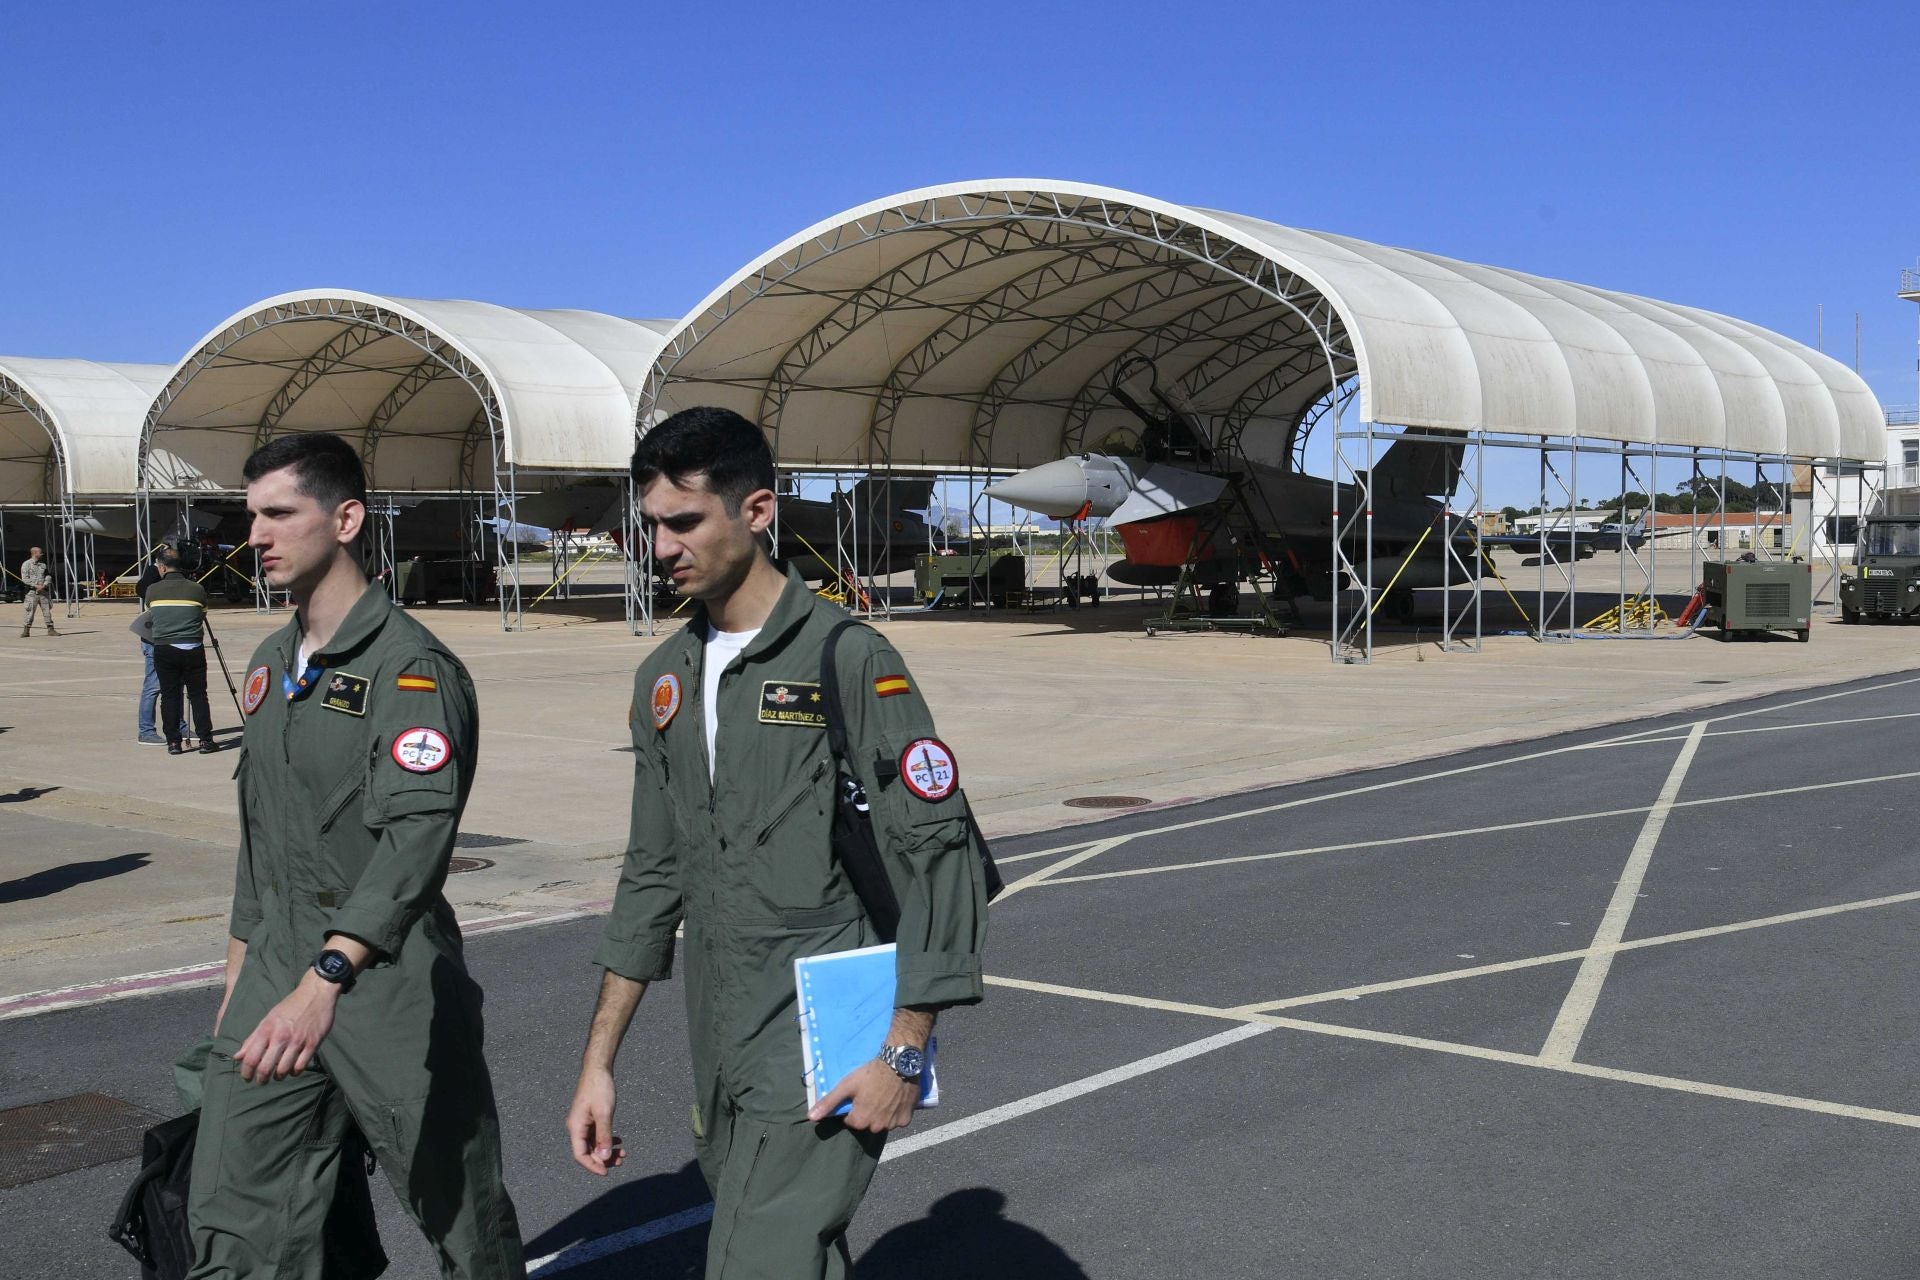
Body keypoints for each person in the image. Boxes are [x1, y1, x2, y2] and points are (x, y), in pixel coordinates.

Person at [565, 407, 991, 1279]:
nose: (662, 547)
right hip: (718, 1040)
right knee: (787, 1253)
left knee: (755, 1261)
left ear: (756, 511)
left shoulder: (850, 658)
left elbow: (941, 860)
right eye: (650, 525)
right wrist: (597, 1066)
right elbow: (651, 876)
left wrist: (905, 1051)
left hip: (828, 1039)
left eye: (684, 523)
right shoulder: (665, 679)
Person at [187, 432, 525, 1279]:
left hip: (388, 979)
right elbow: (263, 836)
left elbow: (417, 843)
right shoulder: (270, 665)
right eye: (250, 515)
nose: (255, 535)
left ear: (345, 519)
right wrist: (241, 974)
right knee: (235, 1213)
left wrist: (323, 982)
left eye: (277, 514)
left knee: (459, 1212)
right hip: (277, 969)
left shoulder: (411, 670)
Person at [145, 545, 217, 755]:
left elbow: (152, 614)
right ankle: (205, 739)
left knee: (169, 696)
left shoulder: (153, 590)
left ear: (163, 568)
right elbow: (201, 613)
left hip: (165, 648)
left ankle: (173, 742)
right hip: (192, 647)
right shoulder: (197, 589)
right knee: (198, 695)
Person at [135, 551, 184, 745]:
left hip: (173, 635)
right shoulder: (153, 576)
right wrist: (155, 570)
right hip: (153, 637)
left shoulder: (177, 579)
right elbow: (141, 590)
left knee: (177, 684)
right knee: (153, 685)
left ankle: (179, 724)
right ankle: (146, 730)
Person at [19, 545, 56, 636]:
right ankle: (26, 630)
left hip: (43, 592)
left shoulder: (43, 565)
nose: (42, 554)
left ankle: (51, 629)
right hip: (31, 593)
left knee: (47, 611)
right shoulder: (26, 564)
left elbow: (48, 576)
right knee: (30, 612)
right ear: (35, 553)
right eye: (40, 552)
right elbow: (25, 579)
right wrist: (36, 586)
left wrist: (44, 585)